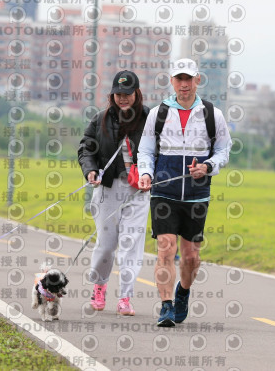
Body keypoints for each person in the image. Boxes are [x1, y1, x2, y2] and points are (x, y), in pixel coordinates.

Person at [137, 58, 232, 327]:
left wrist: (207, 166)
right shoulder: (158, 113)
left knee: (190, 257)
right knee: (166, 248)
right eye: (179, 79)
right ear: (172, 81)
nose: (184, 84)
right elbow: (145, 150)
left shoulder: (213, 114)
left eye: (188, 78)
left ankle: (183, 291)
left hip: (196, 195)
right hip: (163, 192)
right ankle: (166, 306)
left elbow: (224, 150)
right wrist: (146, 173)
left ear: (197, 80)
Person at [78, 70, 151, 316]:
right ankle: (99, 287)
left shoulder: (150, 119)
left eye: (127, 93)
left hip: (138, 190)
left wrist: (152, 175)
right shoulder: (100, 119)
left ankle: (125, 297)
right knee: (106, 245)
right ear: (112, 95)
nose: (123, 98)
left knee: (131, 244)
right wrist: (90, 170)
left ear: (136, 93)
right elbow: (86, 149)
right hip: (108, 188)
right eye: (118, 94)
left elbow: (161, 150)